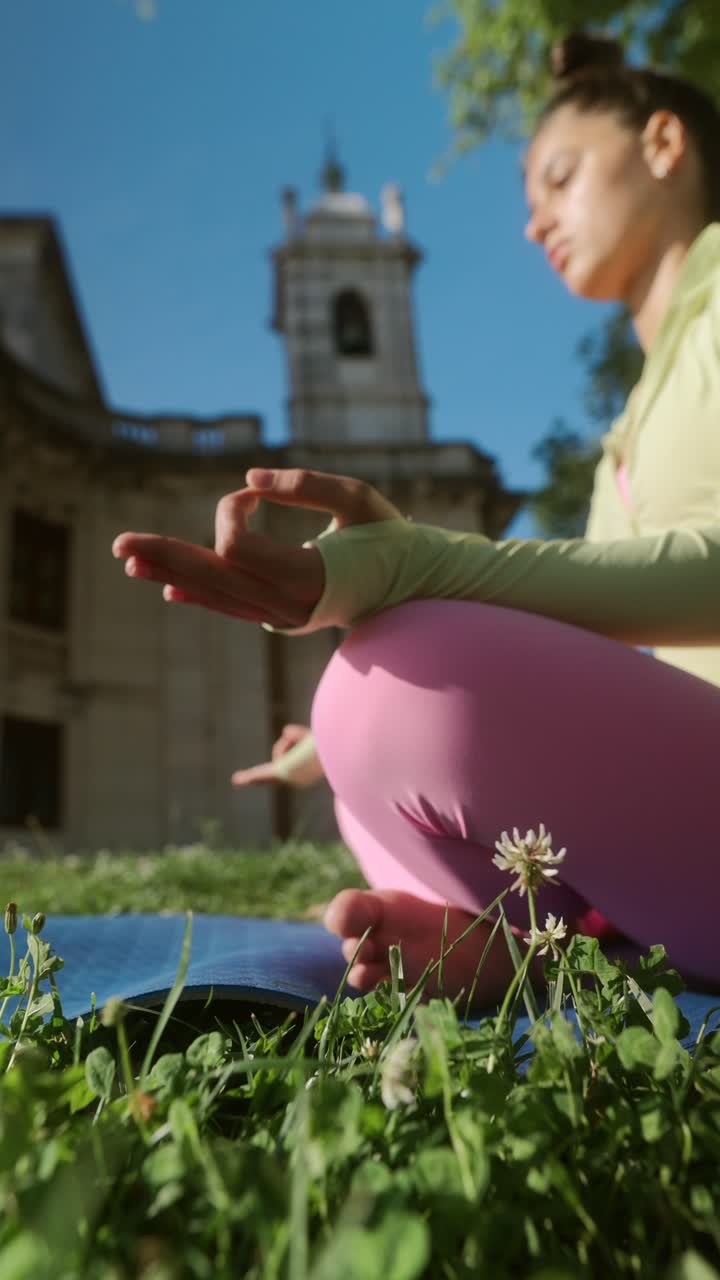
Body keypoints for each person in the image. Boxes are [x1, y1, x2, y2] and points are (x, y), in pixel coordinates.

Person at [113, 32, 720, 1004]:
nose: (534, 225)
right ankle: (546, 951)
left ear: (663, 143)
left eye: (557, 179)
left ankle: (549, 944)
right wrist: (335, 736)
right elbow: (602, 622)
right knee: (363, 725)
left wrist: (414, 569)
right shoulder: (629, 428)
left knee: (394, 681)